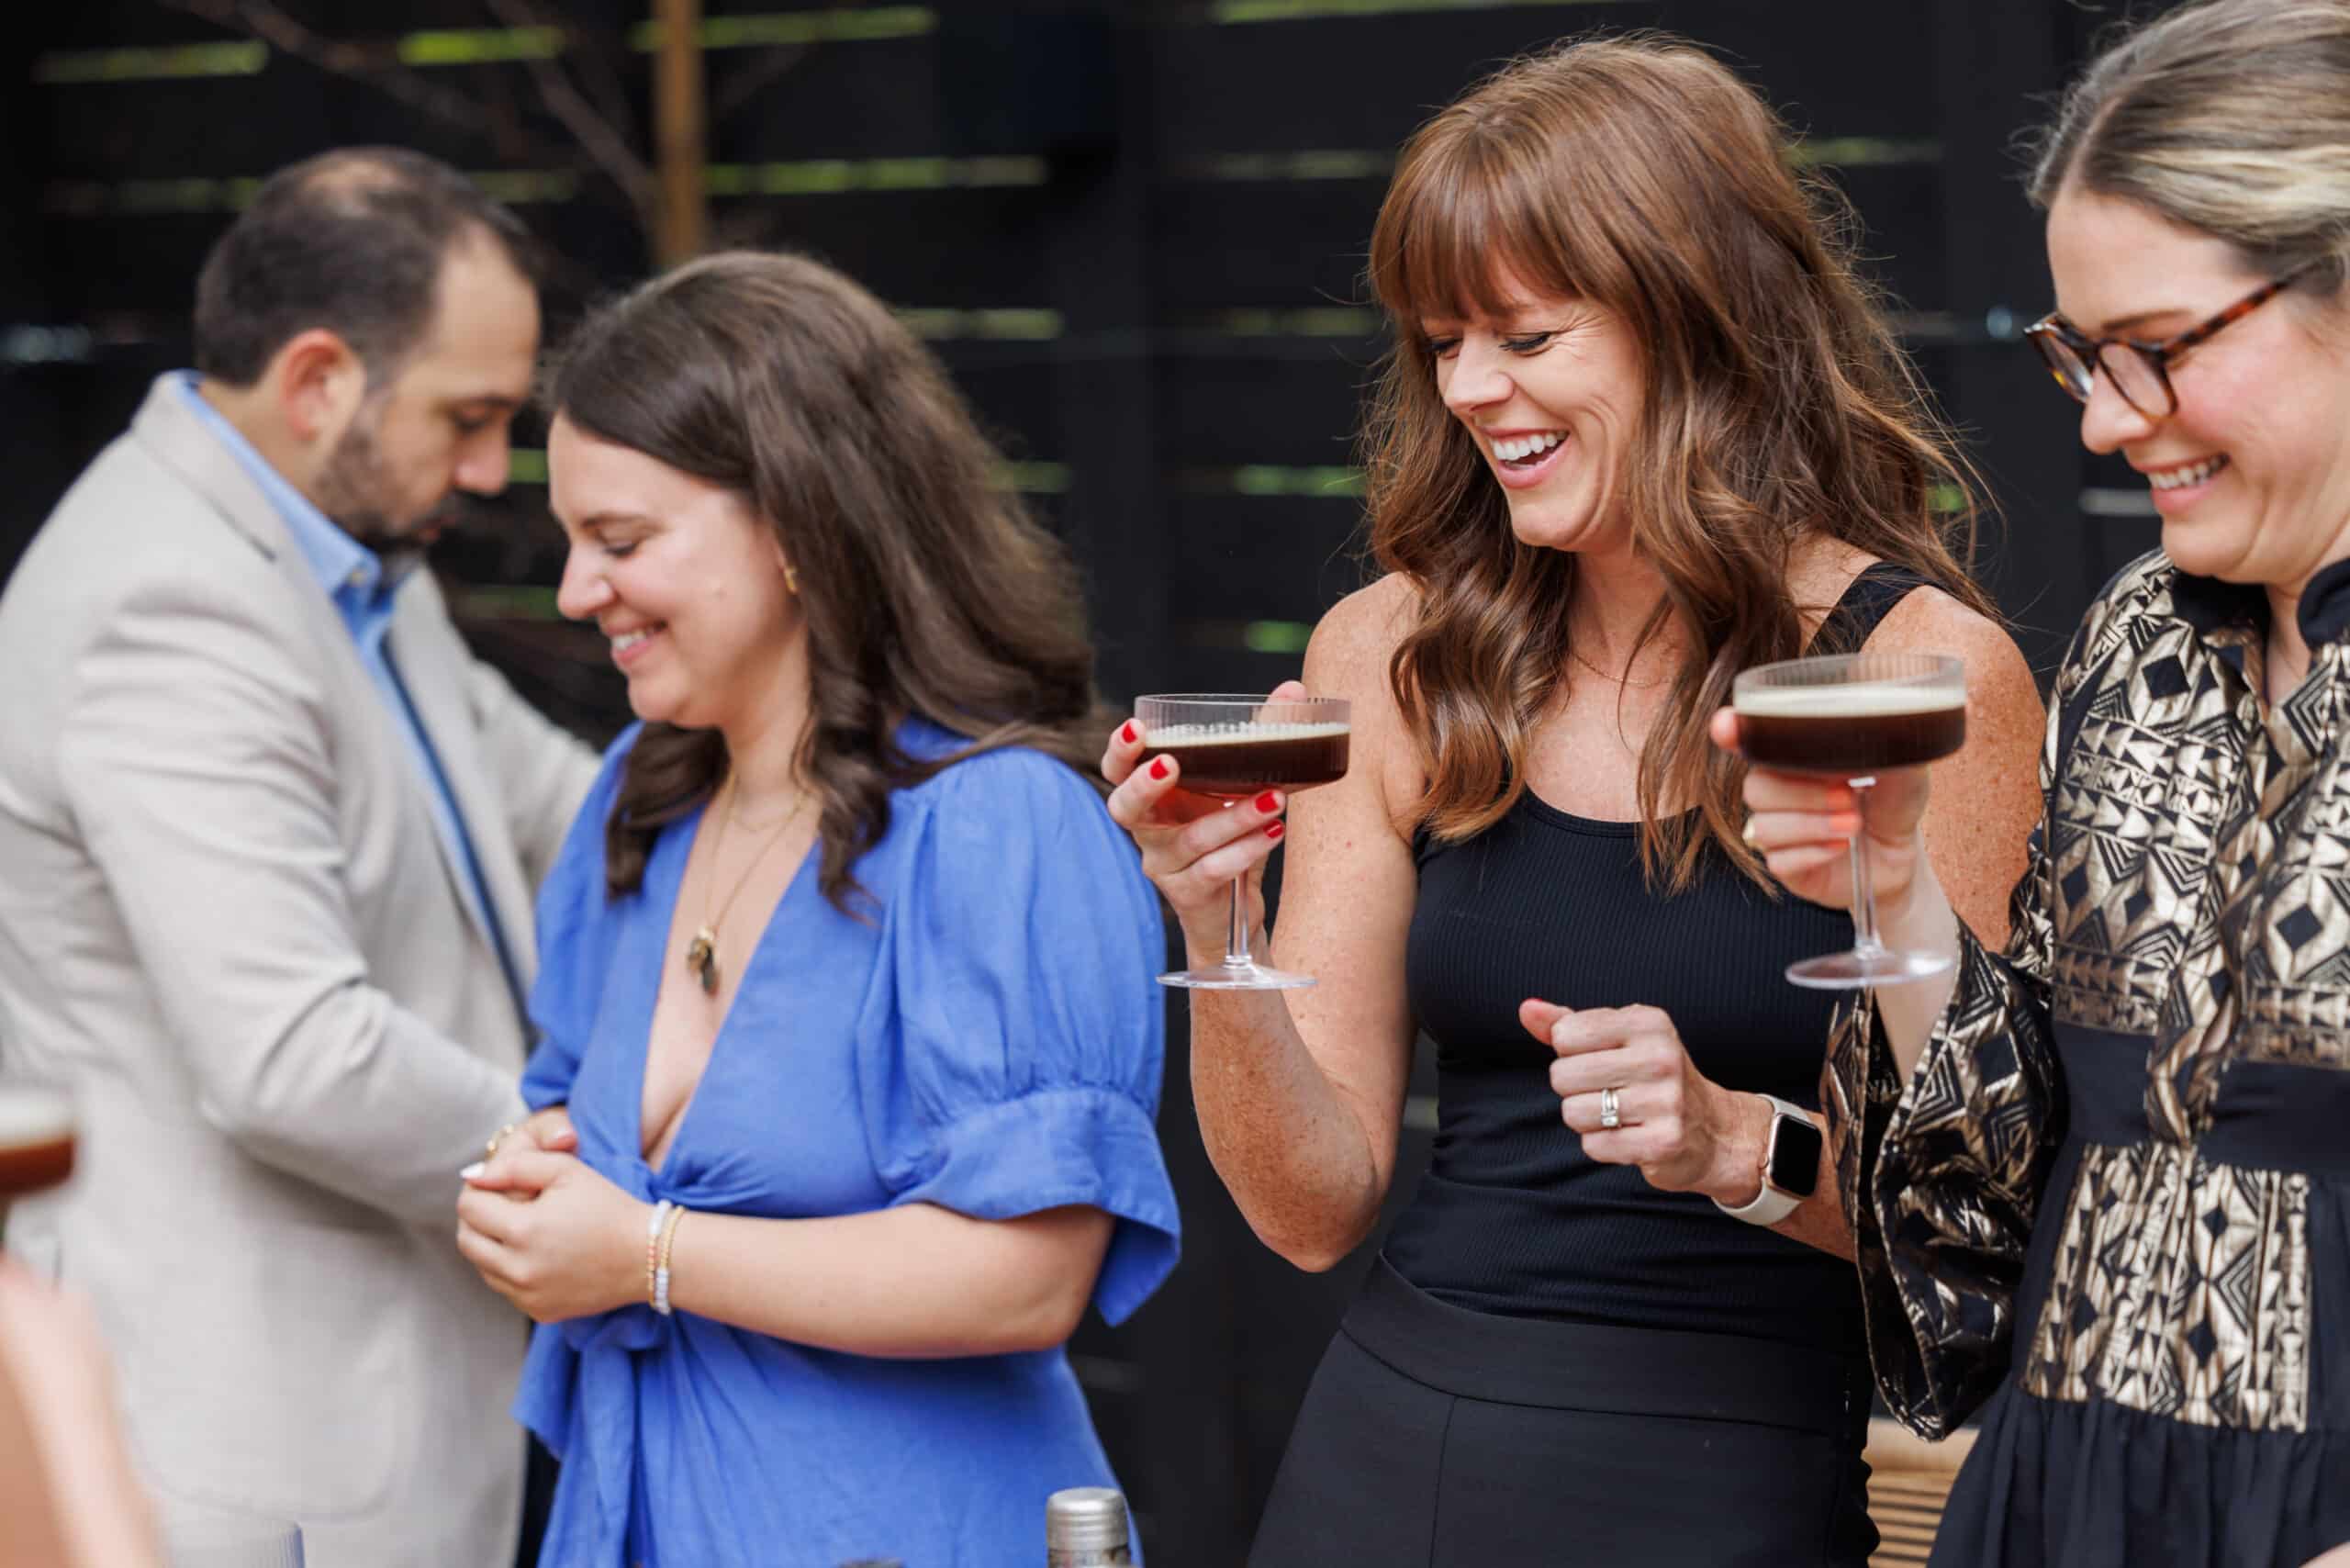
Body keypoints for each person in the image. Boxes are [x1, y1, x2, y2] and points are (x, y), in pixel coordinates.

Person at [1102, 34, 2044, 1566]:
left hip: (1724, 1476)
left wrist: (1734, 1143)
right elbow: (1310, 1210)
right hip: (1388, 1456)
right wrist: (1217, 923)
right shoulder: (1394, 651)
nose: (1474, 391)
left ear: (1701, 321)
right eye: (1443, 343)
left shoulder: (1920, 676)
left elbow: (1978, 1225)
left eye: (1529, 336)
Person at [452, 250, 1179, 1568]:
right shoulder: (639, 800)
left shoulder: (997, 823)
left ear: (794, 524)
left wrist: (647, 1254)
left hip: (900, 1534)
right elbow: (567, 1122)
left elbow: (1031, 1276)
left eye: (621, 541)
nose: (574, 591)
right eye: (571, 542)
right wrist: (531, 1183)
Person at [1738, 3, 2350, 1563]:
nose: (2104, 417)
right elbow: (2018, 1206)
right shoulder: (2139, 639)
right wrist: (1896, 901)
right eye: (2081, 352)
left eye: (2158, 349)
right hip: (2058, 1509)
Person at [0, 149, 598, 1566]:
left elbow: (558, 804)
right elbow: (292, 1053)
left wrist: (829, 843)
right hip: (258, 1459)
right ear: (319, 378)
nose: (488, 470)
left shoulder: (349, 562)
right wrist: (595, 1166)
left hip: (367, 1418)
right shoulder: (170, 602)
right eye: (468, 417)